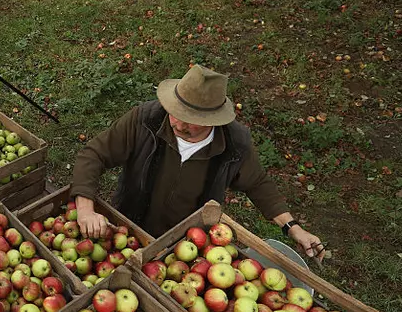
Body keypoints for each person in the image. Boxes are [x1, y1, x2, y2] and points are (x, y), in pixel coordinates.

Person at [70, 64, 327, 261]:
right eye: (176, 112)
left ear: (213, 120)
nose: (178, 123)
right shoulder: (145, 120)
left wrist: (293, 228)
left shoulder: (234, 143)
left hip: (185, 246)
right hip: (129, 229)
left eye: (190, 119)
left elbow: (258, 183)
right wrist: (85, 208)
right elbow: (94, 154)